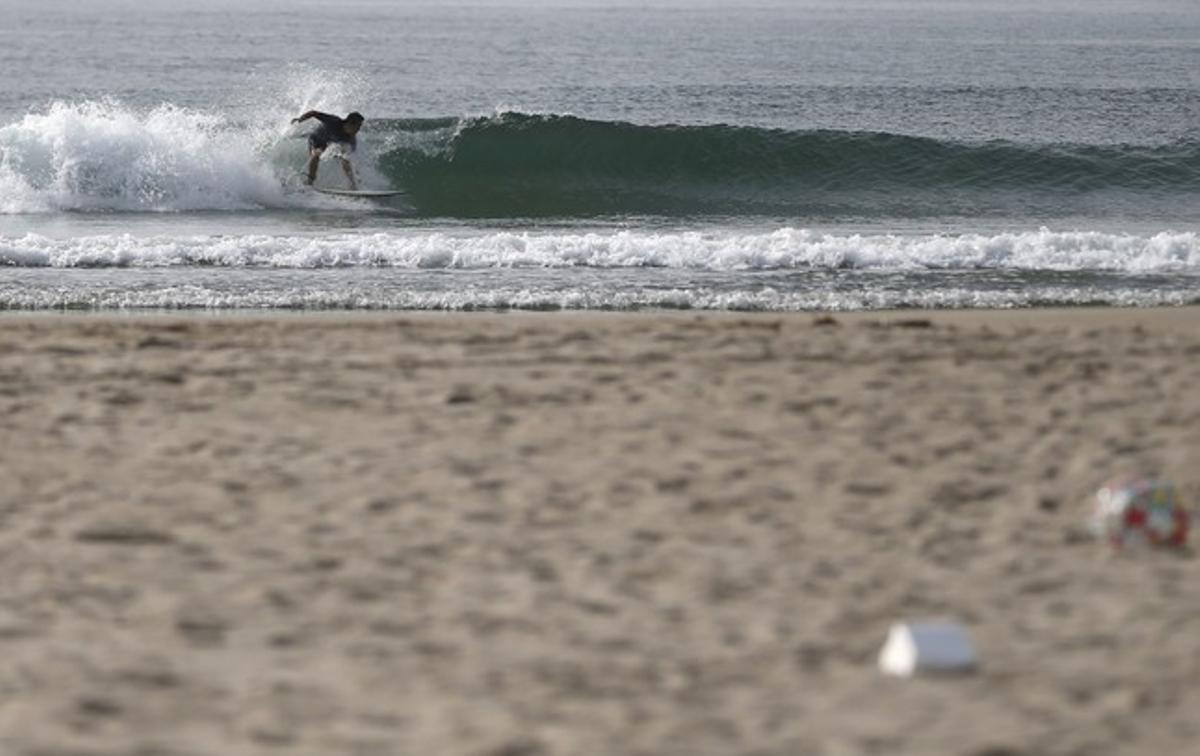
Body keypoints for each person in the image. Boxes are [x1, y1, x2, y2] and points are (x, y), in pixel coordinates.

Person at [291, 110, 364, 189]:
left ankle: (352, 184)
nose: (359, 129)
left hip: (327, 144)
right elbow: (313, 113)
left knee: (345, 158)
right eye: (358, 126)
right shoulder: (333, 121)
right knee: (316, 155)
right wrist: (300, 120)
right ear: (350, 123)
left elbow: (352, 155)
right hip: (315, 140)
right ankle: (310, 181)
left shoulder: (350, 137)